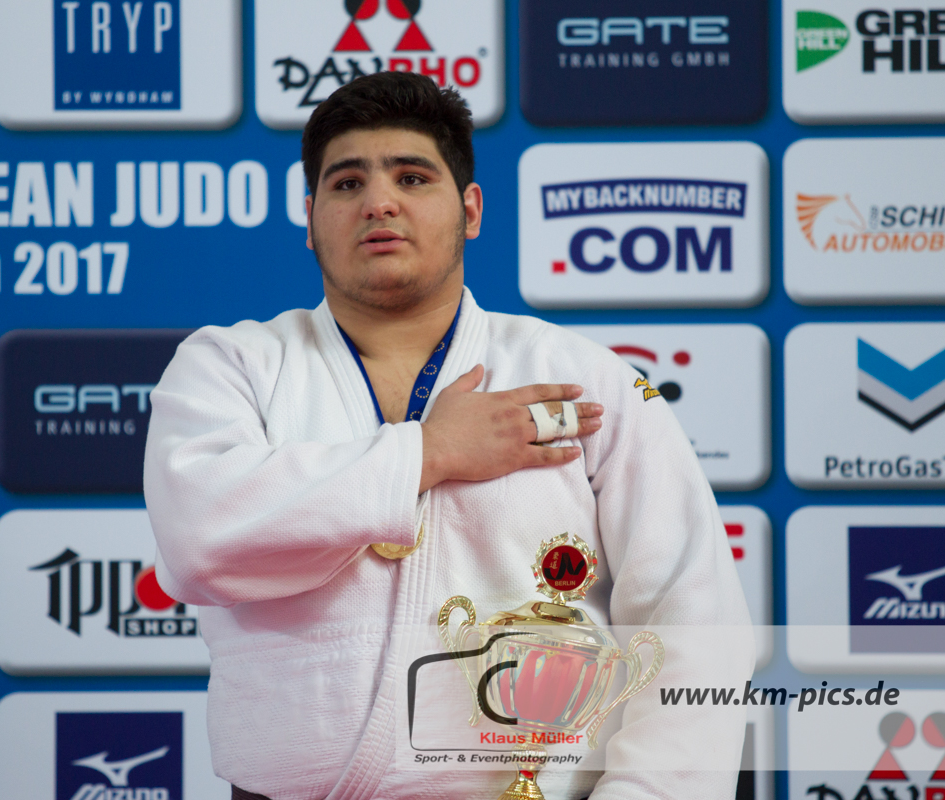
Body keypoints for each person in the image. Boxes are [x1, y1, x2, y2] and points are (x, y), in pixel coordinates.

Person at [144, 71, 752, 800]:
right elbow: (201, 541)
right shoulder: (230, 365)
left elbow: (692, 614)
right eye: (345, 185)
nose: (379, 202)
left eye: (412, 176)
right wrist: (429, 453)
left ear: (470, 210)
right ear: (308, 219)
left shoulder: (585, 379)